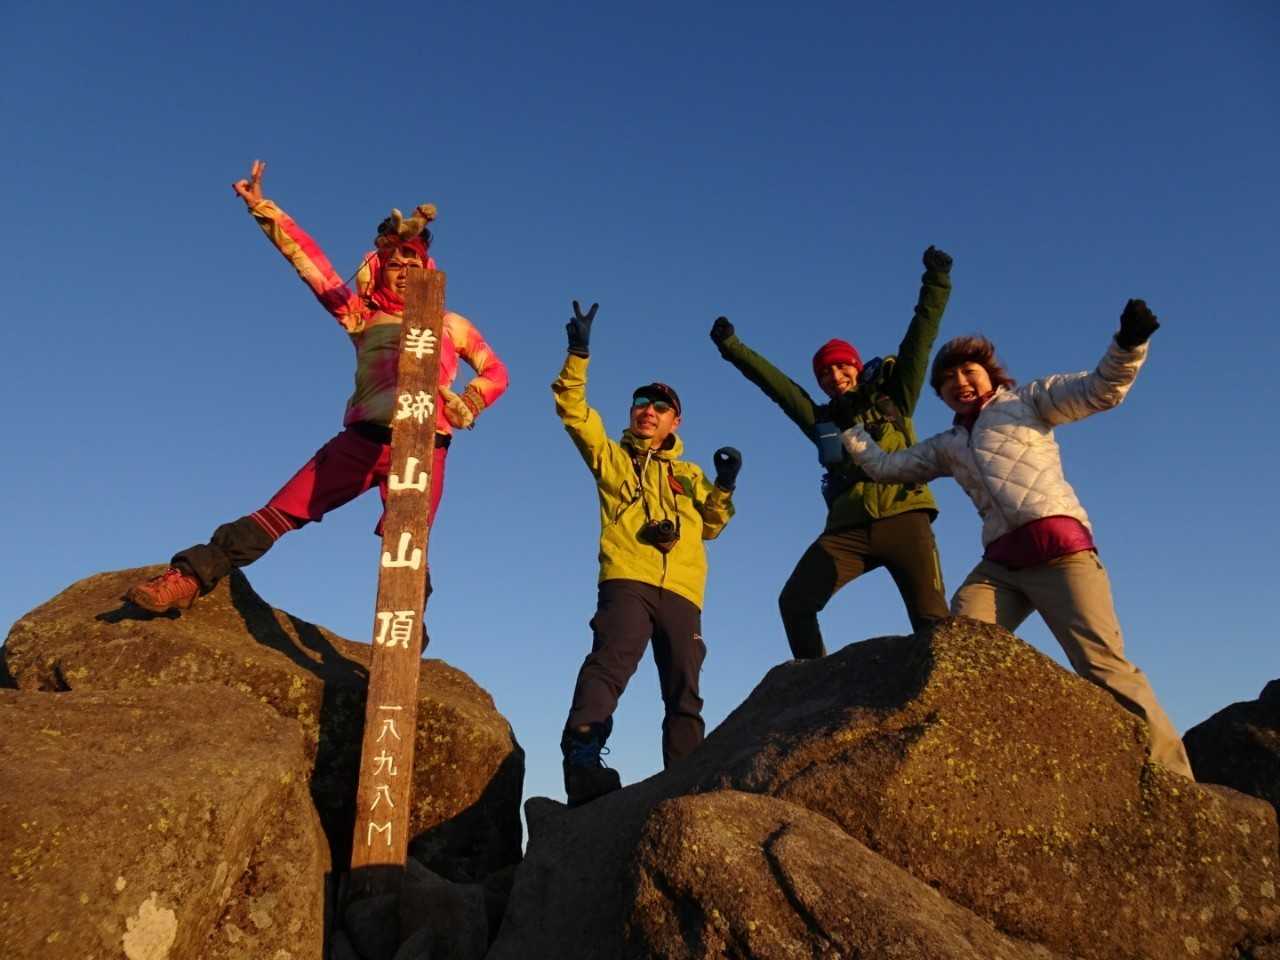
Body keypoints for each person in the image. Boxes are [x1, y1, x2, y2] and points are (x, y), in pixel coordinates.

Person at [127, 160, 508, 614]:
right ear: (379, 269)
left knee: (407, 546)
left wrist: (468, 402)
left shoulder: (451, 325)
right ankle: (188, 578)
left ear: (429, 267)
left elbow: (496, 371)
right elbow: (312, 265)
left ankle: (405, 645)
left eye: (414, 262)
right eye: (395, 263)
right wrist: (263, 209)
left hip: (425, 448)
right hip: (361, 441)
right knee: (283, 509)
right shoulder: (362, 316)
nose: (405, 269)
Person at [841, 299, 1193, 779]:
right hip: (1002, 567)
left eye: (969, 371)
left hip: (1060, 553)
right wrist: (852, 430)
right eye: (948, 380)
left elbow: (1100, 390)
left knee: (1102, 667)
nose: (960, 382)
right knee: (959, 646)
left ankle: (1177, 782)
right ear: (941, 395)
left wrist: (1128, 345)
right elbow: (887, 468)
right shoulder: (949, 444)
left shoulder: (1028, 402)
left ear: (991, 375)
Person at [710, 246, 953, 659]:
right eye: (824, 373)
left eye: (842, 367)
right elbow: (778, 387)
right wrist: (733, 347)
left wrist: (937, 280)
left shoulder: (894, 398)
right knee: (795, 603)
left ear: (857, 368)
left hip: (905, 517)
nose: (834, 376)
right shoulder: (822, 421)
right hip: (848, 529)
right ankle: (814, 685)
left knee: (933, 623)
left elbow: (921, 338)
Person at [554, 300, 740, 806]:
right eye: (641, 402)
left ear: (675, 421)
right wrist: (578, 354)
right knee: (609, 665)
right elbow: (573, 412)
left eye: (660, 407)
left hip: (683, 589)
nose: (648, 410)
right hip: (628, 579)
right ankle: (582, 760)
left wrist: (724, 485)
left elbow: (714, 525)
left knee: (685, 689)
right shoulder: (613, 459)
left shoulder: (690, 474)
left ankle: (686, 785)